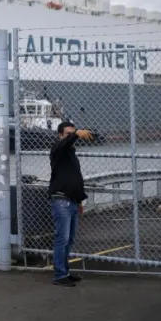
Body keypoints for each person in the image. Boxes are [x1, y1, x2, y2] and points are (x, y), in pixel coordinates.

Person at [50, 121, 93, 287]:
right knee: (62, 238)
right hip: (61, 200)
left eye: (72, 133)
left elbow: (76, 178)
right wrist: (75, 135)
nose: (71, 136)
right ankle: (59, 274)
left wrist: (80, 200)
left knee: (69, 239)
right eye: (67, 134)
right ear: (60, 135)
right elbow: (63, 145)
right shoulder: (57, 150)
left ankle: (64, 272)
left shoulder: (71, 154)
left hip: (72, 201)